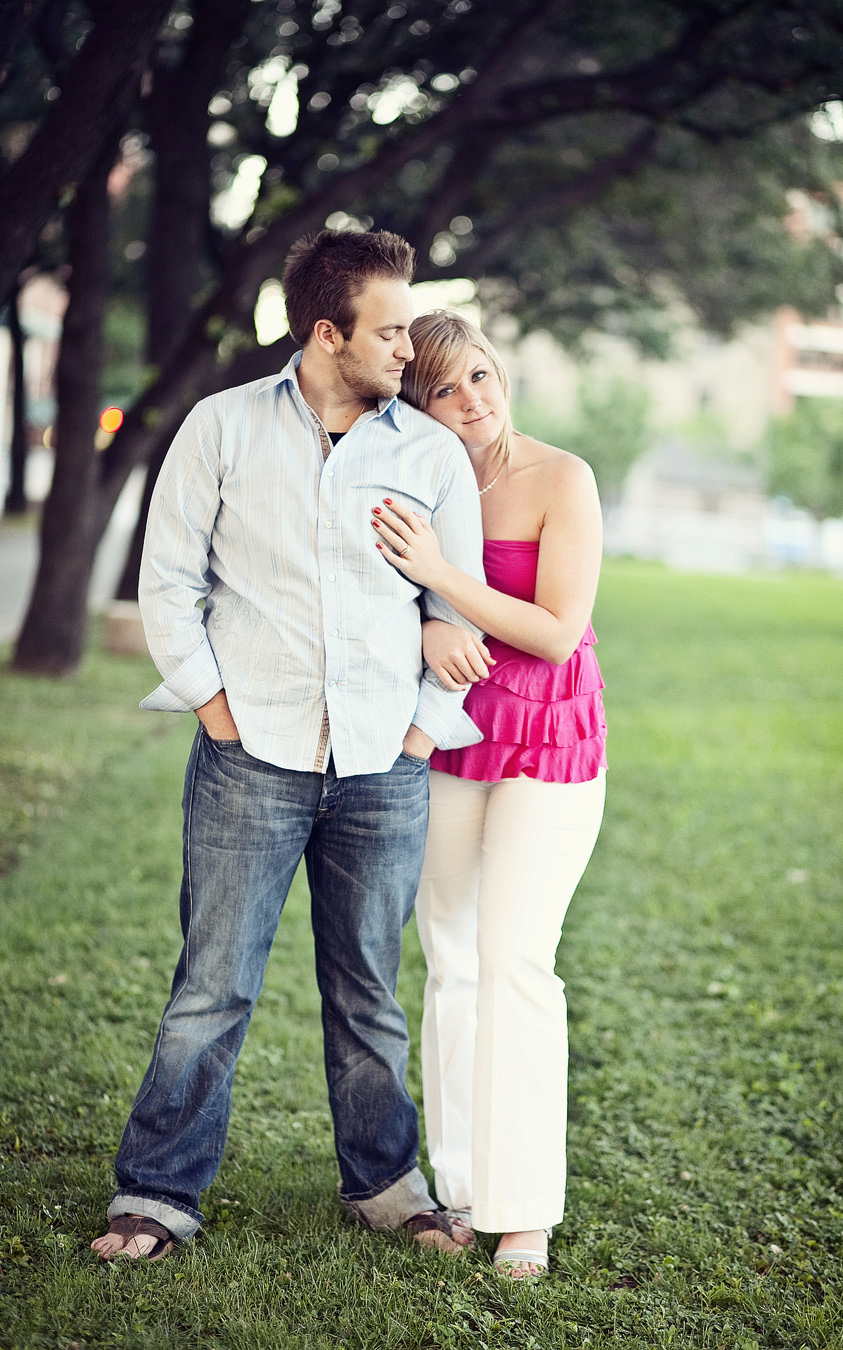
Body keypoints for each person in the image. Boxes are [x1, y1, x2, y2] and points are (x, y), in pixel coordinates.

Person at [91, 232, 489, 1263]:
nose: (411, 350)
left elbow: (458, 602)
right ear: (326, 332)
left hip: (382, 768)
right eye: (391, 330)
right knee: (211, 987)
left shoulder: (430, 454)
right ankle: (159, 1195)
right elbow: (168, 579)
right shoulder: (221, 428)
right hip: (248, 756)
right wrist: (215, 708)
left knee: (368, 991)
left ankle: (387, 1186)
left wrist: (414, 735)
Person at [370, 310, 607, 1278]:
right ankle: (461, 1185)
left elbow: (556, 631)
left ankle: (524, 1212)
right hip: (450, 733)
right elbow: (372, 595)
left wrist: (441, 581)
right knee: (452, 961)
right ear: (416, 406)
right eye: (444, 390)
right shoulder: (413, 480)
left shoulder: (562, 478)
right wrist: (428, 624)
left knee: (515, 962)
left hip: (547, 734)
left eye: (480, 377)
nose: (472, 400)